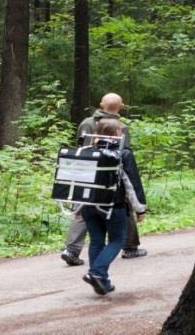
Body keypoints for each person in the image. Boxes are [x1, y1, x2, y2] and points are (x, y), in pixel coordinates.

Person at [61, 93, 146, 266]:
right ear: (120, 107)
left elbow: (81, 150)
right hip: (110, 177)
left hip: (87, 174)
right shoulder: (121, 127)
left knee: (84, 207)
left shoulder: (86, 123)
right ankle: (130, 247)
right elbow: (122, 153)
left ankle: (71, 249)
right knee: (124, 206)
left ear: (101, 104)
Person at [80, 119, 147, 295]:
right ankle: (96, 273)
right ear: (117, 133)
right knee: (117, 240)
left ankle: (103, 282)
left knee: (96, 241)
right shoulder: (122, 154)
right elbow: (132, 183)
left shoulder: (87, 151)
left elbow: (80, 181)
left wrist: (77, 205)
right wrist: (140, 208)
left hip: (89, 204)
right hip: (113, 205)